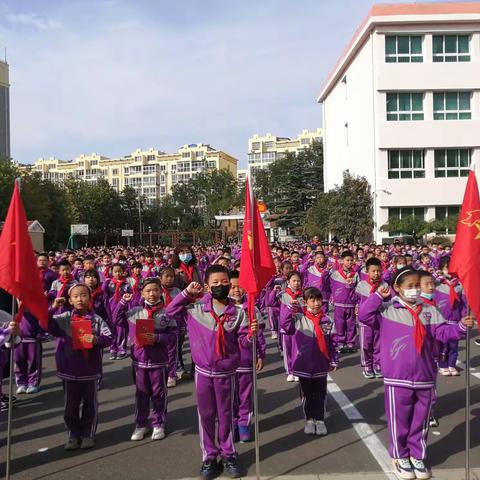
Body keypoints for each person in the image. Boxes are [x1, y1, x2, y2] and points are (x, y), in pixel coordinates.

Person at [359, 267, 474, 480]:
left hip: (425, 375)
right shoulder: (387, 310)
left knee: (420, 420)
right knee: (399, 419)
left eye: (416, 286)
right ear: (397, 288)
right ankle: (401, 455)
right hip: (397, 376)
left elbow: (442, 333)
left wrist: (460, 327)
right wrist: (376, 296)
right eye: (409, 286)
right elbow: (364, 315)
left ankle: (417, 455)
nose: (414, 290)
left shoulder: (430, 310)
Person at [165, 265, 257, 480]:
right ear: (207, 286)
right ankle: (209, 457)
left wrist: (251, 335)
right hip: (203, 373)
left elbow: (243, 342)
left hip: (226, 374)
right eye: (215, 283)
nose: (220, 286)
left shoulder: (238, 313)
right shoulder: (195, 309)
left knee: (226, 416)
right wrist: (187, 293)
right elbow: (169, 312)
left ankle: (229, 455)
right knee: (206, 416)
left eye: (225, 282)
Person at [49, 284, 113, 450]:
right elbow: (47, 325)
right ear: (70, 300)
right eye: (76, 296)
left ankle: (87, 433)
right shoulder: (64, 318)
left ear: (89, 298)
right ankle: (73, 434)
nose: (80, 299)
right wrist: (53, 308)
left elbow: (109, 337)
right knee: (70, 406)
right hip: (69, 370)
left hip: (89, 370)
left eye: (83, 295)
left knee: (90, 405)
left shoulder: (96, 319)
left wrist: (97, 340)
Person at [114, 278, 178, 441]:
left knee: (159, 394)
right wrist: (122, 303)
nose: (152, 293)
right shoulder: (135, 312)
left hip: (159, 362)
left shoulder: (167, 313)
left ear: (160, 292)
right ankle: (141, 424)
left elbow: (173, 336)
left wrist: (157, 337)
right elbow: (117, 320)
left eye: (155, 290)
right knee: (141, 395)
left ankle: (158, 423)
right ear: (141, 293)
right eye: (148, 291)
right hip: (139, 362)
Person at [281, 287, 338, 436]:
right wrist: (289, 309)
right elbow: (285, 325)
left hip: (320, 364)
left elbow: (334, 341)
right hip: (304, 364)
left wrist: (334, 360)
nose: (316, 303)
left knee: (320, 393)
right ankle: (309, 420)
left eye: (318, 299)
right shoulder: (298, 319)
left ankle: (319, 420)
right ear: (305, 302)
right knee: (306, 394)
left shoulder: (327, 320)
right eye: (312, 300)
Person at [228, 270, 265, 443]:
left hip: (246, 360)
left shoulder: (252, 308)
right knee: (229, 397)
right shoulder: (221, 308)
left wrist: (260, 354)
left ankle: (243, 424)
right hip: (226, 363)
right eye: (232, 286)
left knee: (245, 396)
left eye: (240, 287)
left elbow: (260, 336)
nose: (236, 290)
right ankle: (232, 424)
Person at [356, 257, 389, 379]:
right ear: (367, 271)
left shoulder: (385, 285)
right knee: (366, 345)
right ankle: (367, 366)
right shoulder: (361, 285)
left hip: (379, 319)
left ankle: (377, 365)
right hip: (365, 321)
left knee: (378, 344)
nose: (376, 273)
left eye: (379, 271)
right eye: (373, 271)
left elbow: (387, 302)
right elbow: (358, 300)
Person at [435, 256, 466, 377]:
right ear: (441, 270)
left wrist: (463, 316)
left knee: (453, 346)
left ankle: (451, 365)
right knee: (442, 346)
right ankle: (442, 365)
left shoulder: (459, 286)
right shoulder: (437, 285)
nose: (449, 271)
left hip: (455, 320)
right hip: (442, 320)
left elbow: (463, 303)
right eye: (446, 268)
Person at [329, 250, 358, 353]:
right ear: (342, 261)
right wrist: (332, 297)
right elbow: (329, 286)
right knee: (339, 324)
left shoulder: (355, 275)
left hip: (351, 304)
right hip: (339, 303)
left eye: (351, 260)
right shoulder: (335, 274)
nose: (350, 262)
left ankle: (350, 342)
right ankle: (341, 342)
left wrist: (357, 303)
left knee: (351, 324)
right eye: (347, 260)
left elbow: (358, 289)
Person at [158, 266, 183, 387]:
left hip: (174, 325)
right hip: (159, 325)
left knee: (173, 351)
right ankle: (160, 372)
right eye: (166, 276)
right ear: (160, 278)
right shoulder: (156, 291)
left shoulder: (177, 291)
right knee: (159, 350)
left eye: (171, 276)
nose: (169, 279)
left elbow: (182, 308)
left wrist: (183, 325)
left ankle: (172, 374)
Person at [105, 263, 132, 360]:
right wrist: (105, 282)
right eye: (115, 271)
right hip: (111, 309)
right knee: (111, 330)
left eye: (119, 271)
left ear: (123, 272)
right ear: (112, 272)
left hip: (122, 310)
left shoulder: (126, 284)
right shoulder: (109, 283)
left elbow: (130, 295)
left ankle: (121, 349)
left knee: (121, 330)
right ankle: (113, 349)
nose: (117, 273)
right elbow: (104, 294)